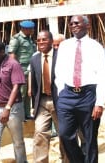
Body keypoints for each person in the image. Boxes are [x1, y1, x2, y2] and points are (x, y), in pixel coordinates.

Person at [55, 15, 105, 163]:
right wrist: (61, 92)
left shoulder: (95, 46)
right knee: (65, 135)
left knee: (90, 138)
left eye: (77, 23)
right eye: (71, 23)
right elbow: (58, 71)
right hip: (68, 95)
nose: (73, 26)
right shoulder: (65, 45)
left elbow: (102, 75)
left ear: (87, 25)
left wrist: (99, 103)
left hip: (88, 95)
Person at [29, 30, 67, 163]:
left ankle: (66, 160)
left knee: (64, 134)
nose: (41, 42)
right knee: (39, 133)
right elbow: (34, 84)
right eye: (38, 40)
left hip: (60, 101)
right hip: (42, 102)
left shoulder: (61, 56)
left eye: (44, 40)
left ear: (51, 41)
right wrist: (34, 105)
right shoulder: (34, 58)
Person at [0, 41, 27, 163]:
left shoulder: (13, 64)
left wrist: (7, 108)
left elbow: (16, 87)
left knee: (18, 142)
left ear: (2, 52)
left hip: (12, 109)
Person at [8, 20, 36, 120]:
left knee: (29, 93)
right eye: (31, 29)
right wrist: (16, 69)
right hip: (21, 69)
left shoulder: (29, 39)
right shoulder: (17, 39)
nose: (33, 30)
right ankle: (19, 115)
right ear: (25, 29)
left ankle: (27, 114)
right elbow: (12, 54)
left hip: (30, 69)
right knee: (21, 94)